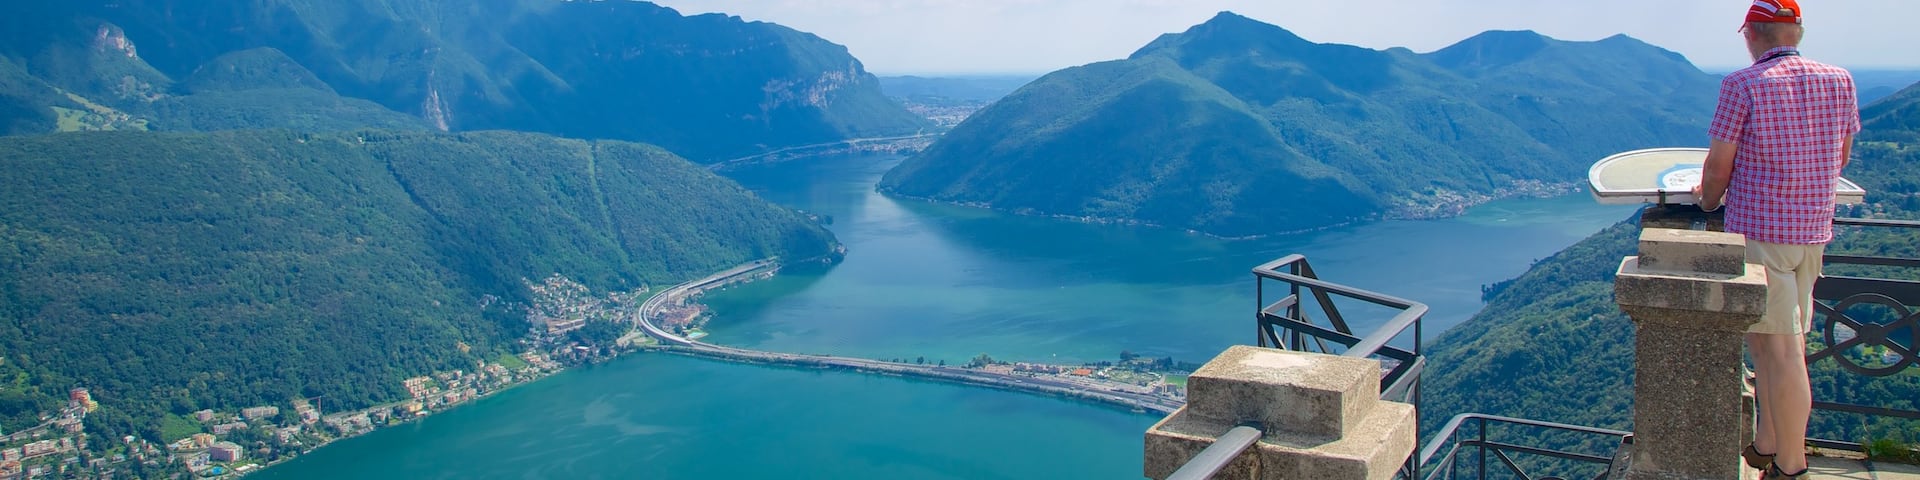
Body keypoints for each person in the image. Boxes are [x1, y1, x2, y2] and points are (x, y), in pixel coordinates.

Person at [1692, 0, 1859, 478]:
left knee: (1781, 351)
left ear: (1751, 35)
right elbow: (1840, 156)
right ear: (1797, 34)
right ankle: (1767, 441)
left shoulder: (1741, 85)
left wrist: (1706, 201)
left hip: (1762, 232)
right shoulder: (1840, 80)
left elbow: (1719, 166)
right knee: (1773, 346)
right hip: (1812, 232)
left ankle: (1791, 466)